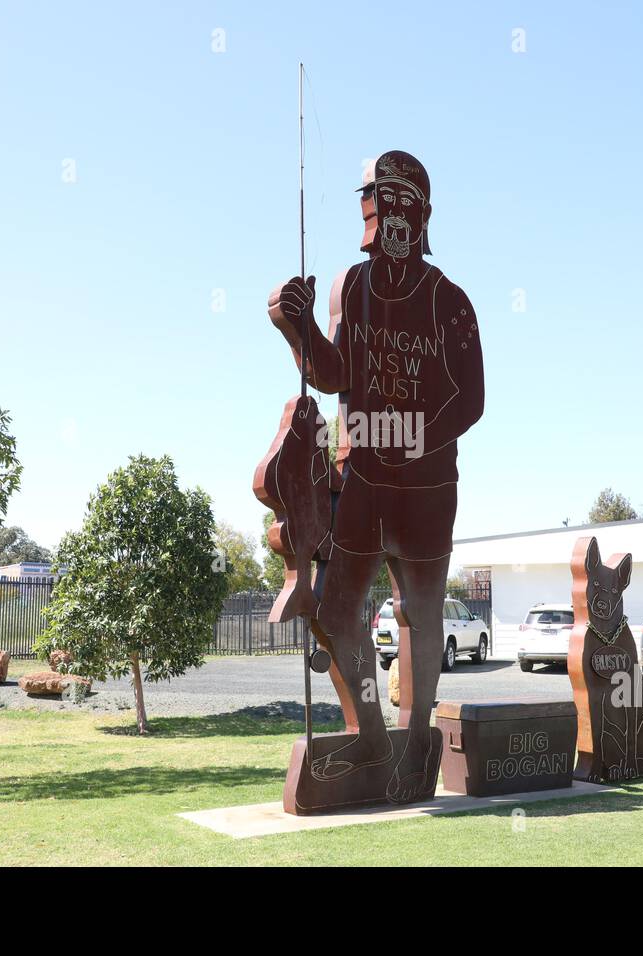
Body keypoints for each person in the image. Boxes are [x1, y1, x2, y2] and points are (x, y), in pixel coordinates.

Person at [267, 150, 484, 802]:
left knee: (419, 614)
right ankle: (370, 734)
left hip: (425, 487)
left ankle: (416, 738)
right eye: (381, 205)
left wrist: (416, 443)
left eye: (402, 207)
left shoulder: (451, 301)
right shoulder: (353, 288)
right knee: (335, 610)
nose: (391, 219)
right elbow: (336, 374)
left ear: (419, 215)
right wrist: (297, 325)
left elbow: (469, 398)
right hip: (359, 476)